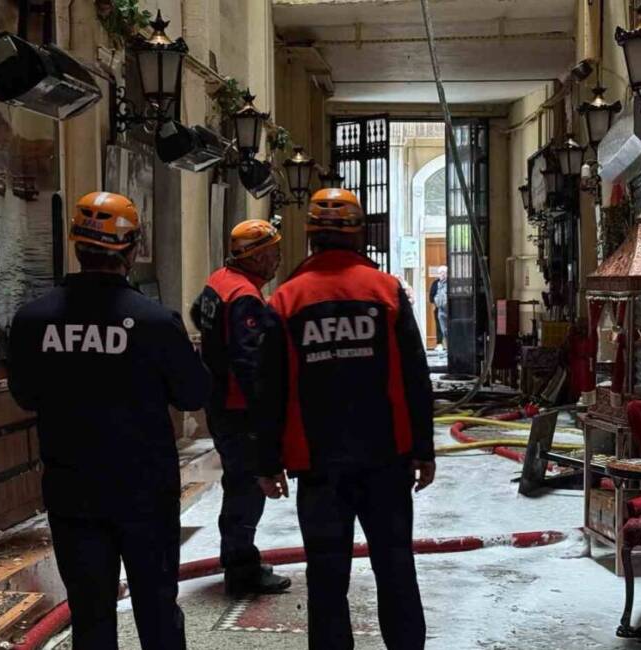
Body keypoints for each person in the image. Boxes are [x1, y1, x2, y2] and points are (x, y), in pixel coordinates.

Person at [8, 191, 209, 649]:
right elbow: (194, 393)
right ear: (132, 249)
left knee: (91, 615)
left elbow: (25, 395)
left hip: (72, 492)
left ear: (77, 247)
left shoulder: (33, 321)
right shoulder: (156, 321)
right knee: (156, 609)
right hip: (145, 493)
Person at [255, 188, 436, 650]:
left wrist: (266, 461)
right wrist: (423, 449)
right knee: (395, 567)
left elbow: (269, 389)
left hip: (317, 466)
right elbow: (416, 376)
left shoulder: (286, 300)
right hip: (386, 459)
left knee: (327, 578)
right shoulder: (387, 291)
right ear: (359, 235)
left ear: (310, 236)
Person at [190, 220, 292, 598]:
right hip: (238, 409)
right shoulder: (245, 297)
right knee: (246, 490)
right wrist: (268, 418)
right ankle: (241, 568)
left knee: (237, 484)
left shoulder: (219, 280)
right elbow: (252, 366)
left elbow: (196, 311)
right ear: (258, 255)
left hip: (218, 402)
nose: (278, 259)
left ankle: (238, 558)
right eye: (274, 253)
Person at [429, 265, 449, 352]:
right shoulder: (435, 283)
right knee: (441, 327)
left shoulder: (450, 283)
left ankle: (450, 345)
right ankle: (440, 344)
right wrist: (436, 302)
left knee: (449, 327)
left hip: (449, 309)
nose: (443, 274)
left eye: (444, 272)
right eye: (441, 272)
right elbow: (431, 296)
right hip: (439, 308)